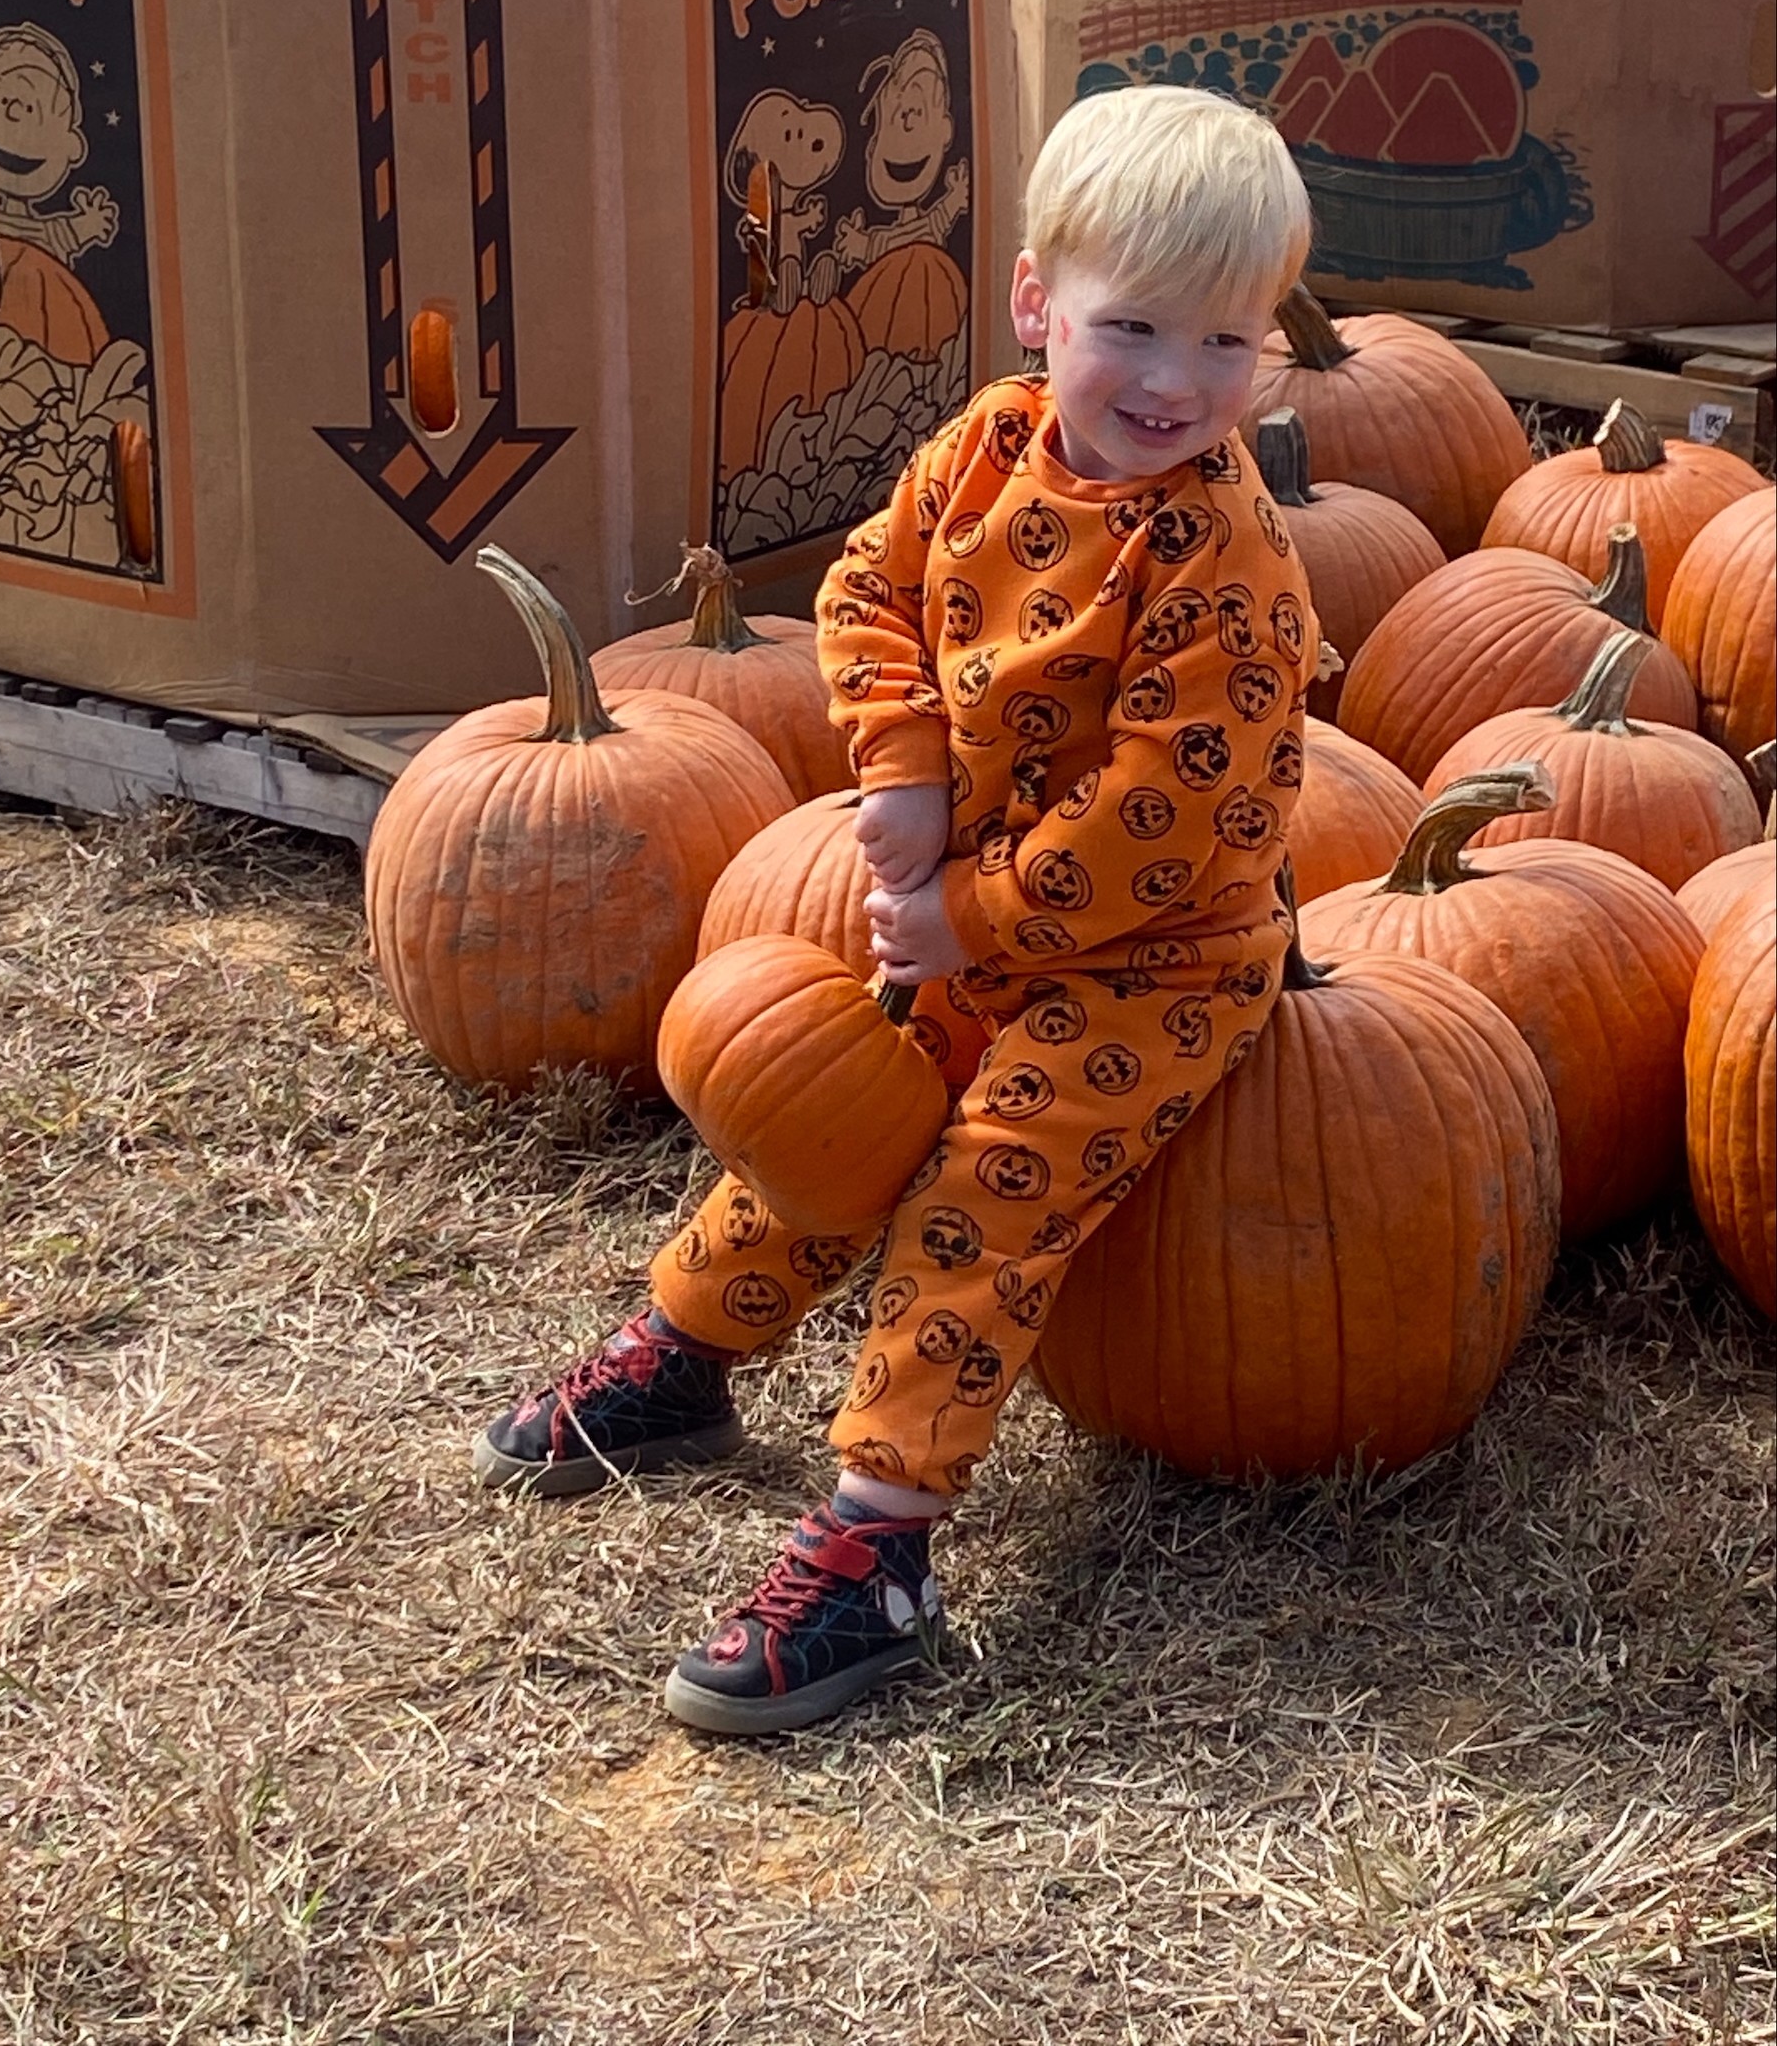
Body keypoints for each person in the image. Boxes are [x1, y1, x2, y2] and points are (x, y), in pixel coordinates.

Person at [475, 86, 1320, 1736]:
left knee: (981, 1191)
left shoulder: (1228, 569)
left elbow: (1168, 823)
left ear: (1270, 341)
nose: (1170, 384)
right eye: (1129, 327)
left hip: (1153, 962)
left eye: (1226, 345)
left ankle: (883, 1550)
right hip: (963, 901)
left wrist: (969, 919)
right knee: (827, 1126)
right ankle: (686, 1354)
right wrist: (904, 766)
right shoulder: (988, 446)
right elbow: (864, 590)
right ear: (1034, 305)